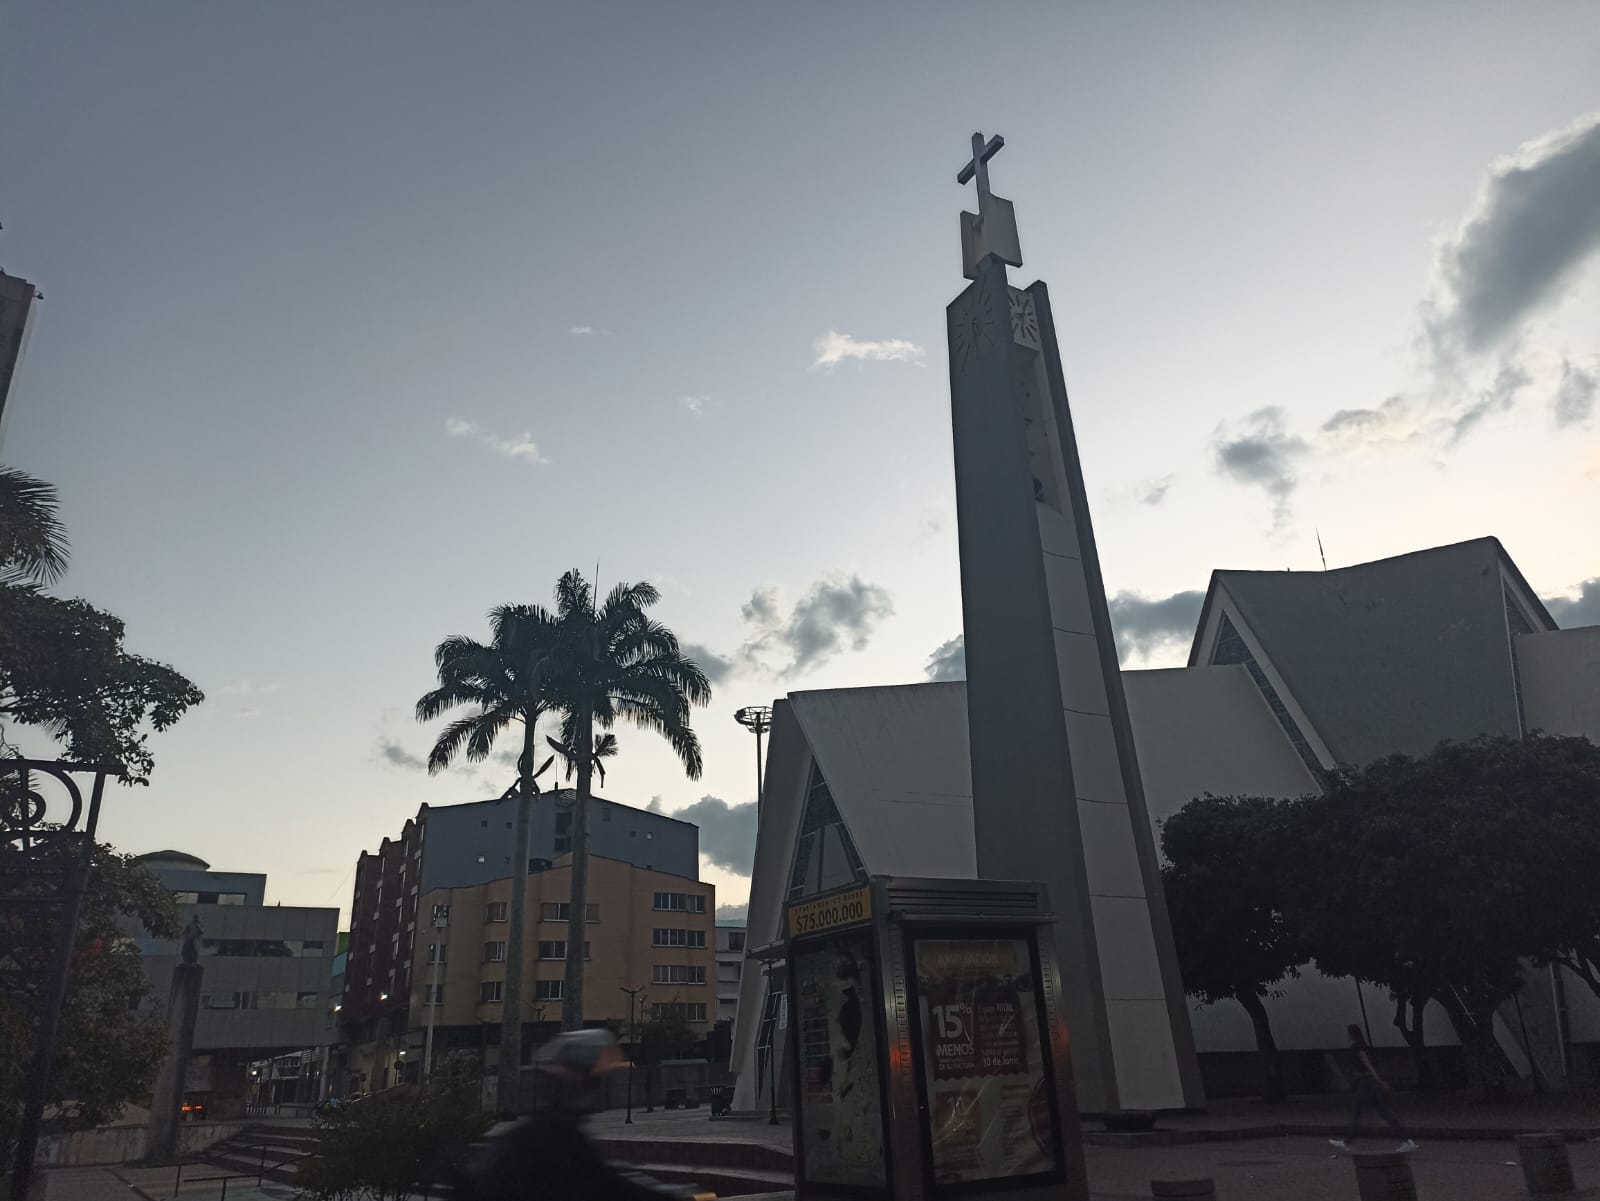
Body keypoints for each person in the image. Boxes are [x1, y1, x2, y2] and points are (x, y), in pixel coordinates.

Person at [455, 1029, 682, 1201]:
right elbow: (606, 1184)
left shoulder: (534, 1132)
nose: (595, 1089)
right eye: (594, 1081)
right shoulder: (557, 1138)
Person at [1328, 1025, 1418, 1152]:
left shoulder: (1357, 1047)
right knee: (1384, 1112)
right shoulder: (1363, 1045)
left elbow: (1366, 1063)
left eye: (1348, 1033)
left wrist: (1378, 1080)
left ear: (1351, 1034)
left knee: (1358, 1112)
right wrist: (1378, 1081)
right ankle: (1407, 1141)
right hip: (1368, 1082)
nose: (1346, 1035)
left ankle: (1348, 1142)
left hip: (1365, 1083)